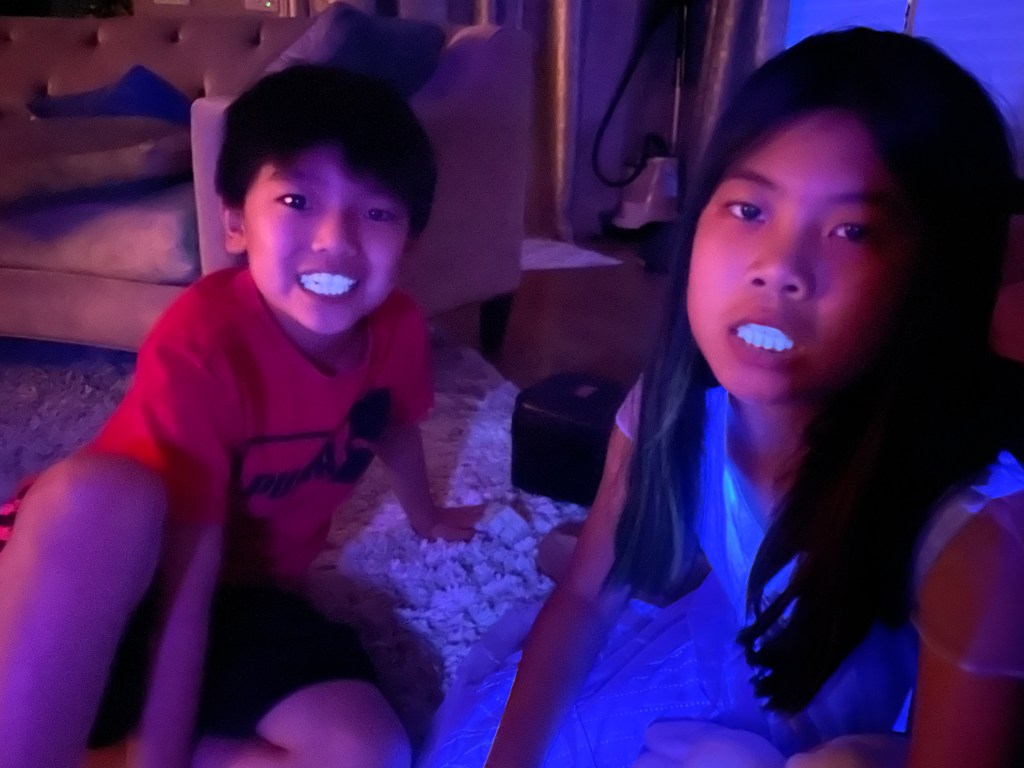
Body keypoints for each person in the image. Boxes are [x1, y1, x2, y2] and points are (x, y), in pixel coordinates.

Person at [422, 28, 1024, 768]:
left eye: (852, 230)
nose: (779, 267)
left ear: (936, 279)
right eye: (749, 210)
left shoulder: (973, 534)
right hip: (737, 660)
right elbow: (585, 599)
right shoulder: (676, 406)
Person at [0, 64, 483, 768]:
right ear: (234, 222)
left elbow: (389, 419)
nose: (336, 239)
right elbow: (181, 599)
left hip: (245, 599)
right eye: (296, 200)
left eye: (378, 213)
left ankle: (105, 745)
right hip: (105, 576)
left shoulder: (398, 329)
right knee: (98, 494)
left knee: (367, 750)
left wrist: (427, 514)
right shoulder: (205, 341)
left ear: (408, 241)